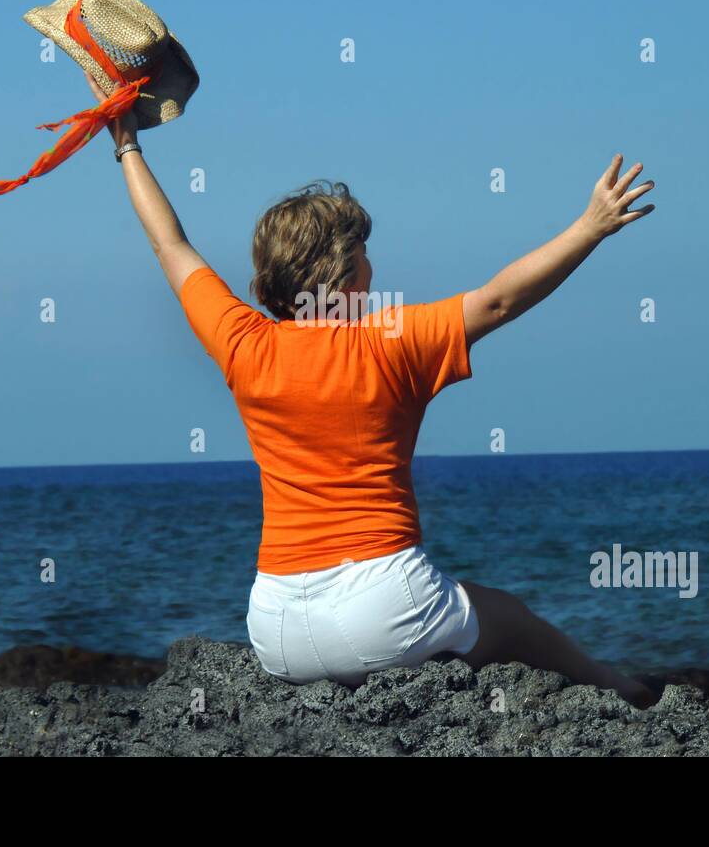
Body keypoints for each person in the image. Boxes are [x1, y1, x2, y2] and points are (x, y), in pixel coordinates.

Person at [86, 73, 661, 709]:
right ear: (348, 273)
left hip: (274, 627)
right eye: (364, 254)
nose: (373, 265)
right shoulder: (393, 339)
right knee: (509, 617)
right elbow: (498, 300)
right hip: (382, 611)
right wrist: (591, 226)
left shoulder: (242, 341)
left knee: (452, 619)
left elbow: (171, 244)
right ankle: (625, 691)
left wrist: (127, 144)